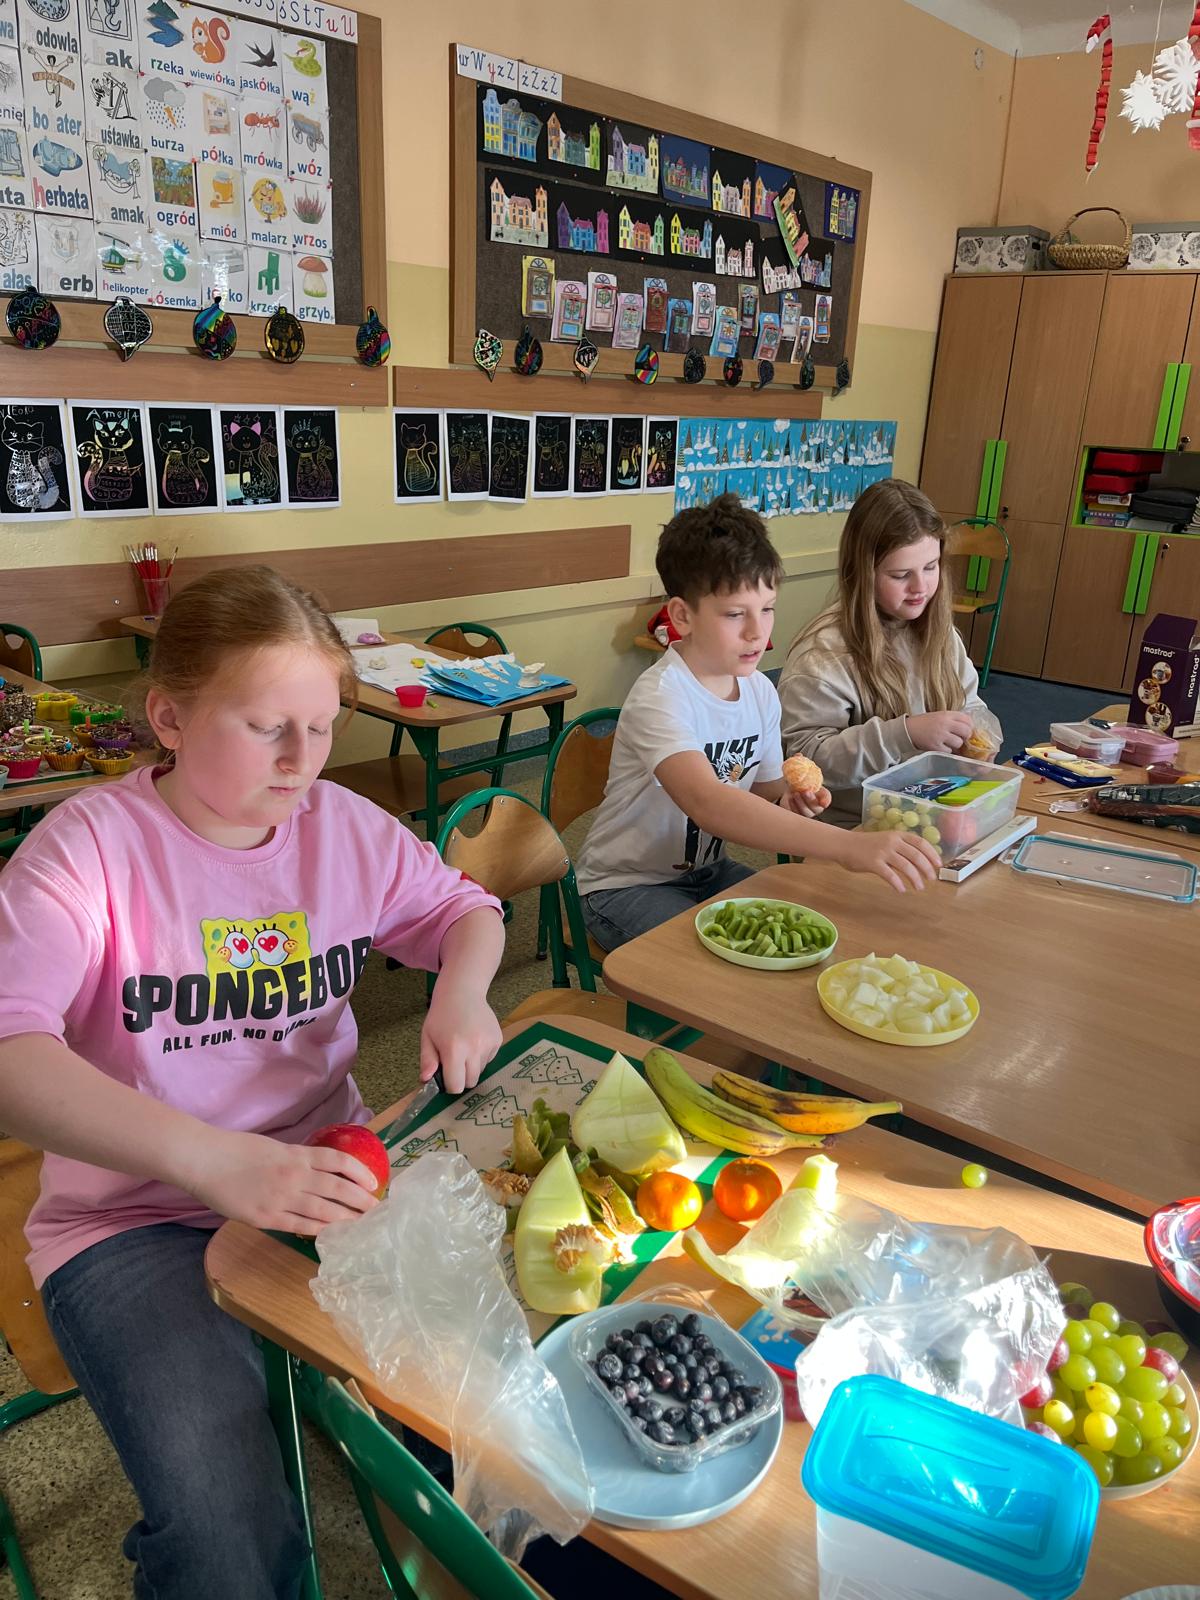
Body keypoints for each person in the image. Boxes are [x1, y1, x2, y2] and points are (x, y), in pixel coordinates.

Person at [0, 567, 505, 1600]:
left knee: (489, 1394)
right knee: (225, 1529)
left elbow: (468, 910)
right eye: (270, 726)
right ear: (170, 719)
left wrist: (461, 992)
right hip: (135, 1220)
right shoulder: (87, 851)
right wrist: (215, 1161)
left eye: (322, 726)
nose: (302, 760)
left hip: (330, 1177)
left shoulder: (342, 826)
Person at [576, 494, 939, 951]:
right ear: (682, 616)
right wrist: (847, 846)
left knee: (798, 935)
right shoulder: (661, 697)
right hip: (625, 887)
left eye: (766, 608)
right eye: (735, 614)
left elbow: (763, 790)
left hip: (709, 871)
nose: (757, 631)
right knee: (728, 962)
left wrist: (790, 799)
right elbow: (710, 804)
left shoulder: (759, 690)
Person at [778, 479, 999, 826]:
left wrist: (975, 738)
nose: (920, 587)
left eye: (931, 567)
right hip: (856, 827)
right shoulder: (822, 656)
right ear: (863, 573)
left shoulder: (939, 633)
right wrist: (903, 735)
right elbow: (809, 760)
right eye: (900, 575)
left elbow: (970, 705)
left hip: (932, 810)